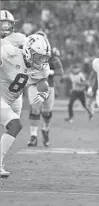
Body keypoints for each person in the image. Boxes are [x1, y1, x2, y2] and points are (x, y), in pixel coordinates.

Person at [0, 34, 51, 178]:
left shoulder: (41, 68)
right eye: (38, 57)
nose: (42, 61)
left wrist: (44, 93)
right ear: (28, 51)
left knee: (12, 127)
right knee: (15, 125)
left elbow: (42, 83)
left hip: (12, 98)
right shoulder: (8, 54)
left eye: (44, 57)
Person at [27, 31, 64, 147]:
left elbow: (60, 71)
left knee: (46, 112)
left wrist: (48, 72)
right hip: (34, 85)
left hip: (49, 85)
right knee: (35, 109)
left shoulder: (51, 53)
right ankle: (33, 136)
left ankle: (46, 129)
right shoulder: (26, 51)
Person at [0, 10, 27, 123]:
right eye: (2, 22)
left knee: (13, 126)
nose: (6, 26)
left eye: (8, 23)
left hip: (14, 88)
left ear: (13, 24)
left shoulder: (20, 38)